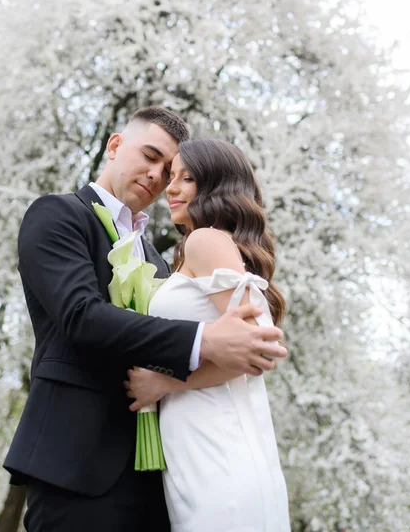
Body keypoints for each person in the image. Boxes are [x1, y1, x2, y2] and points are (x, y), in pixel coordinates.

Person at [3, 106, 287, 532]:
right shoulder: (57, 215)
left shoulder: (158, 258)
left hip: (162, 473)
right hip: (77, 464)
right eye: (150, 156)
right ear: (115, 145)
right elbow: (80, 316)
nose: (159, 176)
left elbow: (242, 343)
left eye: (172, 170)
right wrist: (203, 341)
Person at [124, 137, 291, 531]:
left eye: (188, 178)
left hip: (219, 446)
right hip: (194, 444)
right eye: (172, 176)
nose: (172, 187)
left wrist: (164, 383)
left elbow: (260, 352)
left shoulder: (205, 241)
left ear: (217, 187)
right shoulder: (195, 249)